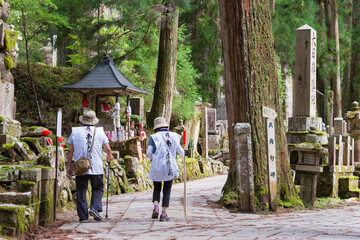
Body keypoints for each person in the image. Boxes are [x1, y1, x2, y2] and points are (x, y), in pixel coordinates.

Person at [66, 110, 113, 223]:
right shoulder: (100, 131)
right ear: (94, 121)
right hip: (96, 166)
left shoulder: (75, 131)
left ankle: (83, 217)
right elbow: (108, 149)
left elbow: (70, 151)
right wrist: (109, 156)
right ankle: (94, 208)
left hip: (80, 166)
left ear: (83, 120)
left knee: (81, 190)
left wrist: (69, 166)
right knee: (98, 188)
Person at [147, 117, 184, 221]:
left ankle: (155, 207)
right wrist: (185, 154)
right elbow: (181, 151)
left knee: (157, 187)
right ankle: (164, 214)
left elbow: (149, 152)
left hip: (157, 166)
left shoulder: (153, 137)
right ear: (166, 126)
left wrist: (152, 159)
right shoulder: (174, 136)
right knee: (167, 190)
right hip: (170, 166)